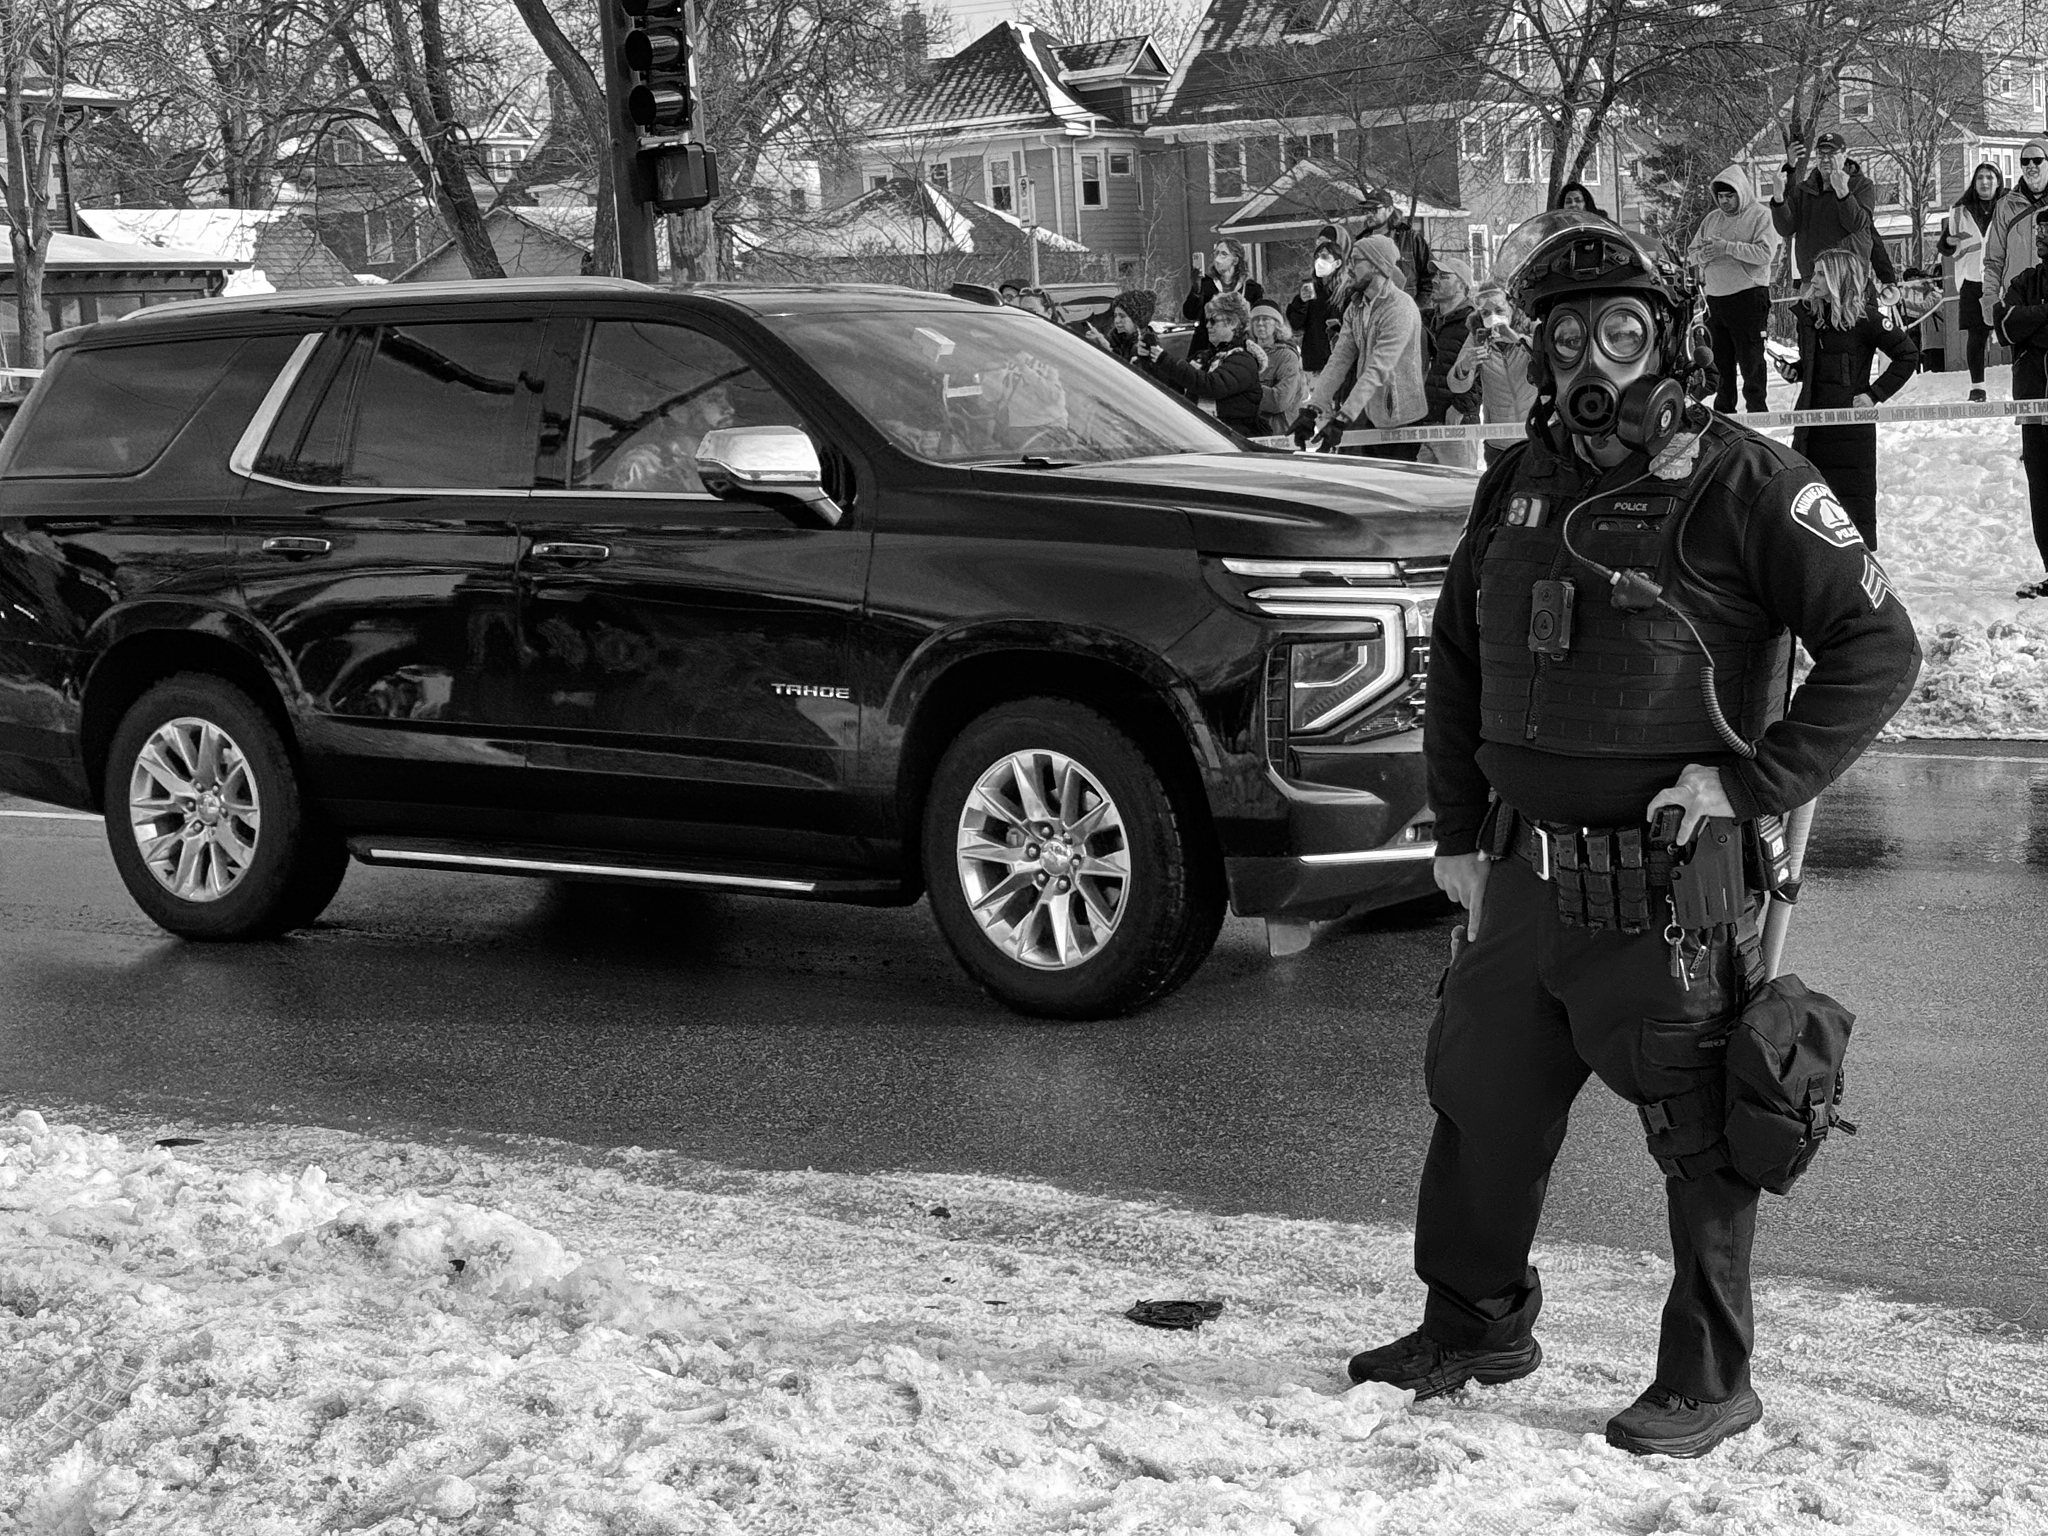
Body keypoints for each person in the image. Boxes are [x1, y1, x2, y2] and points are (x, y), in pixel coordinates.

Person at [1344, 207, 1921, 1460]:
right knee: (1478, 1106)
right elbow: (1455, 657)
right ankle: (1472, 1324)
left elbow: (1879, 648)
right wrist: (1453, 829)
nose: (1590, 362)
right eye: (1565, 338)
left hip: (1671, 894)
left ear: (1668, 344)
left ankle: (1706, 1380)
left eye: (1619, 332)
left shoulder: (1750, 482)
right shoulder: (1515, 483)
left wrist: (1752, 783)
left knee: (1707, 1140)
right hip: (1517, 873)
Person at [1783, 248, 1918, 550]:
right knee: (1811, 513)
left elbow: (1907, 355)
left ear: (1838, 278)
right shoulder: (1811, 317)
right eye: (1814, 273)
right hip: (1811, 429)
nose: (1813, 279)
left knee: (1853, 516)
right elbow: (1818, 366)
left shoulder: (1867, 318)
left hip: (1850, 433)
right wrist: (1795, 371)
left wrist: (1874, 395)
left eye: (1820, 274)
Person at [1294, 233, 1428, 459]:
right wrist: (1312, 409)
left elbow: (1379, 368)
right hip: (1369, 413)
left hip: (1402, 418)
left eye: (1356, 261)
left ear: (1377, 266)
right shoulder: (1356, 307)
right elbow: (1339, 360)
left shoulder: (1400, 307)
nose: (1349, 267)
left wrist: (1343, 418)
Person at [1689, 166, 1780, 414]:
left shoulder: (1760, 215)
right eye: (1720, 197)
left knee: (1751, 360)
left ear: (1741, 192)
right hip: (1716, 299)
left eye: (1730, 196)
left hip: (1748, 296)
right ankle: (1724, 411)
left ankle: (1757, 411)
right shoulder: (1711, 220)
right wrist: (1703, 255)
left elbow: (1765, 254)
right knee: (1721, 362)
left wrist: (1727, 248)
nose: (1725, 201)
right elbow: (1691, 253)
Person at [1992, 211, 2048, 597]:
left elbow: (2024, 327)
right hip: (2033, 401)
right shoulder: (2025, 280)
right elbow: (2006, 326)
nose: (2041, 235)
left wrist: (2034, 326)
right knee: (2042, 491)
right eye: (2038, 229)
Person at [1138, 289, 1263, 434]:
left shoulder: (1243, 360)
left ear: (1232, 323)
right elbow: (1175, 384)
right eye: (1206, 320)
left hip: (1235, 440)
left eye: (1213, 320)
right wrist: (1151, 362)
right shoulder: (1205, 357)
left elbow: (1210, 386)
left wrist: (1165, 359)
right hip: (1208, 435)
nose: (1207, 325)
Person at [1446, 281, 1537, 464]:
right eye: (1486, 313)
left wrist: (1517, 340)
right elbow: (1456, 385)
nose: (1493, 317)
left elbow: (1550, 360)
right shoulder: (1478, 337)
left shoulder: (1531, 328)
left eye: (1499, 310)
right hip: (1499, 441)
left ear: (1512, 307)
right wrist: (1466, 365)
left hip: (1536, 434)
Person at [1938, 164, 2005, 401]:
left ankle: (2024, 380)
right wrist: (1948, 241)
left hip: (2003, 280)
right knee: (1976, 336)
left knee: (2015, 331)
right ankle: (1978, 386)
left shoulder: (2008, 207)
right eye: (1980, 178)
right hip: (1972, 280)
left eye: (1990, 177)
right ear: (1974, 182)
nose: (1984, 182)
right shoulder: (1960, 211)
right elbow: (1944, 247)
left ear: (1998, 181)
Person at [1770, 132, 1870, 282]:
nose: (1825, 159)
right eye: (1820, 154)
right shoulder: (1803, 190)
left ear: (1844, 155)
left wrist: (1843, 192)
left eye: (1831, 154)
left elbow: (1856, 224)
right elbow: (1786, 229)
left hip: (1847, 276)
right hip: (1812, 278)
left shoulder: (1861, 185)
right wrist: (1778, 199)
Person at [609, 383, 735, 492]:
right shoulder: (646, 464)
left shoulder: (727, 460)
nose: (729, 409)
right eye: (713, 399)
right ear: (678, 412)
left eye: (725, 399)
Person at [1982, 138, 2048, 329]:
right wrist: (1991, 301)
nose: (2031, 166)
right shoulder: (2005, 206)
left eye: (2037, 160)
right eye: (2025, 161)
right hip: (2017, 301)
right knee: (2024, 359)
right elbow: (1994, 260)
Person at [1422, 256, 1482, 467]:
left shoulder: (1476, 322)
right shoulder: (1426, 320)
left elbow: (1486, 369)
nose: (1435, 281)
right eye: (1436, 275)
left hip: (1456, 422)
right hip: (1424, 421)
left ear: (1461, 286)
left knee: (1457, 494)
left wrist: (1462, 406)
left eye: (1444, 276)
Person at [1182, 238, 1262, 362]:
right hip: (1205, 349)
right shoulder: (1205, 284)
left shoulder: (1251, 289)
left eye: (1223, 254)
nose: (1218, 258)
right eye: (1216, 253)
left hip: (1238, 349)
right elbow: (1189, 314)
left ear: (1235, 260)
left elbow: (1256, 322)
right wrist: (1196, 290)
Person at [1287, 222, 1351, 378]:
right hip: (1315, 365)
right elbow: (1295, 325)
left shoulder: (1349, 290)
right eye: (1318, 248)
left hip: (1343, 365)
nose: (1319, 260)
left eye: (1326, 248)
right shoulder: (1311, 287)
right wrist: (1301, 303)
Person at [1358, 188, 1436, 304]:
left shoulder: (1411, 239)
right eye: (1366, 210)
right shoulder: (1361, 243)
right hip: (1374, 313)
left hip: (1405, 312)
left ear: (1389, 210)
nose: (1369, 214)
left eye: (1374, 210)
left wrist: (1418, 309)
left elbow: (1430, 277)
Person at [1248, 301, 1307, 434]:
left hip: (1279, 433)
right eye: (1256, 319)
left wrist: (1243, 389)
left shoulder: (1287, 356)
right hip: (1250, 432)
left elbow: (1280, 401)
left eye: (1266, 319)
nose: (1260, 323)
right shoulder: (1245, 353)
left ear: (1277, 325)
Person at [1092, 289, 1156, 363]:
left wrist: (1107, 350)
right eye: (1115, 315)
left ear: (1136, 319)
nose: (1116, 321)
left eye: (1122, 316)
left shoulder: (1146, 347)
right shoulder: (1116, 339)